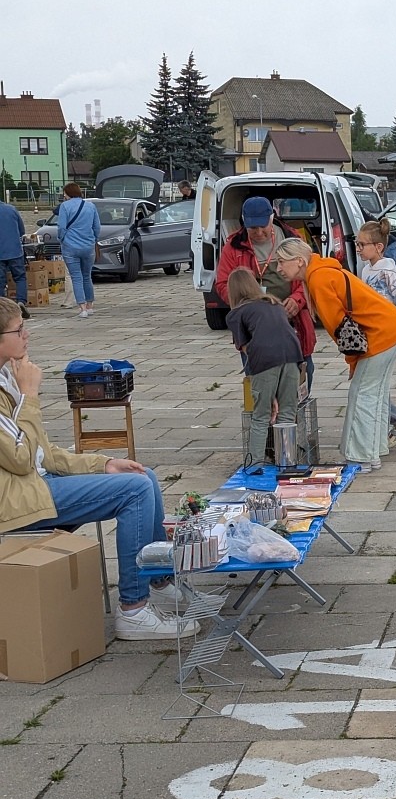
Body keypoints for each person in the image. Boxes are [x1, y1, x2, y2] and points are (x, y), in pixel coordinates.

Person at [0, 298, 196, 640]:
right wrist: (29, 396)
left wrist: (104, 463)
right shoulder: (16, 384)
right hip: (17, 500)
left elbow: (45, 453)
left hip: (34, 482)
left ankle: (157, 580)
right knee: (134, 492)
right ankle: (133, 610)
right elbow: (19, 459)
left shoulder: (9, 375)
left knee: (141, 476)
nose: (26, 336)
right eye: (18, 331)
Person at [275, 238, 396, 471]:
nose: (278, 268)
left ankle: (362, 458)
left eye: (281, 262)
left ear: (299, 261)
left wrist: (353, 362)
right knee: (374, 395)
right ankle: (373, 452)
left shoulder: (318, 279)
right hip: (391, 328)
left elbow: (340, 328)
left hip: (380, 335)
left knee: (362, 396)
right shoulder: (322, 271)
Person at [215, 196, 316, 390]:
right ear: (244, 223)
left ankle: (296, 414)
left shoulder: (292, 240)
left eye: (263, 226)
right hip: (254, 325)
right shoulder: (233, 247)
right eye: (253, 228)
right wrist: (248, 304)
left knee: (303, 372)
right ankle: (266, 415)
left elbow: (309, 277)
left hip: (293, 320)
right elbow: (222, 284)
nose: (259, 233)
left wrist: (297, 300)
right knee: (259, 380)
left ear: (272, 218)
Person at [225, 268, 301, 468]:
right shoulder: (274, 303)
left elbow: (247, 349)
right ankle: (287, 463)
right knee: (286, 413)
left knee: (261, 416)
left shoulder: (236, 313)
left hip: (265, 359)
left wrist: (266, 391)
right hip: (293, 354)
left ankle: (255, 466)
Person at [356, 220, 396, 447]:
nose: (359, 248)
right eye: (357, 244)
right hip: (374, 331)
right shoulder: (366, 270)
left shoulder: (388, 270)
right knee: (375, 384)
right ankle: (387, 427)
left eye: (363, 244)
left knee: (373, 384)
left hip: (389, 332)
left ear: (379, 247)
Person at [57, 182, 101, 319]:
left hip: (70, 247)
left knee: (76, 277)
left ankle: (82, 308)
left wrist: (62, 239)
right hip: (88, 246)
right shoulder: (90, 206)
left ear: (68, 193)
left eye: (64, 193)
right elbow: (97, 227)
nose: (63, 195)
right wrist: (93, 239)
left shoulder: (64, 206)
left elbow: (61, 227)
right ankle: (90, 305)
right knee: (87, 276)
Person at [0, 197, 29, 319]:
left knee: (0, 281)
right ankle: (21, 301)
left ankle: (2, 307)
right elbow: (22, 230)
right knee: (20, 277)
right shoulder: (11, 209)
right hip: (15, 251)